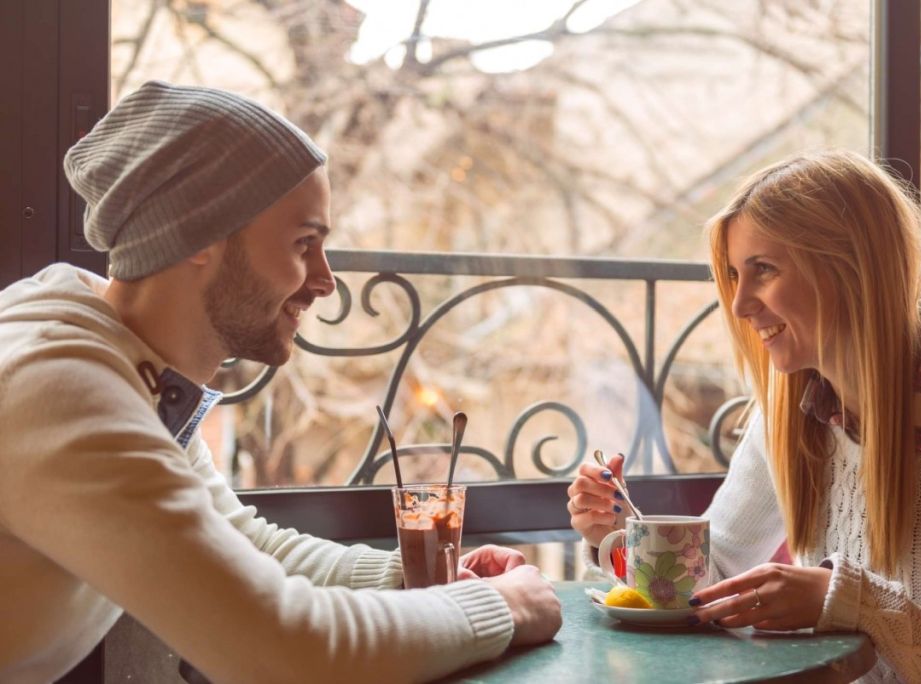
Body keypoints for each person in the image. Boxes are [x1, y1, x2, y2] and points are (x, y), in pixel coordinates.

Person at [0, 80, 560, 684]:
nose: (325, 281)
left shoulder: (127, 366)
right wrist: (505, 605)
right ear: (199, 236)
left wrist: (414, 576)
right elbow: (289, 647)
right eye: (304, 243)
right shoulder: (67, 392)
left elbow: (234, 541)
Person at [567, 150, 921, 681]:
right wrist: (622, 533)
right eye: (735, 275)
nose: (739, 306)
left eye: (763, 270)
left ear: (850, 269)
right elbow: (712, 581)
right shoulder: (788, 414)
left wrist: (855, 603)